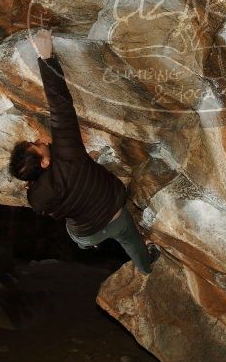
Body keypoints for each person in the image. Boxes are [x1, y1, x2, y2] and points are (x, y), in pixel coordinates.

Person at [9, 31, 160, 274]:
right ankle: (145, 266)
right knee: (132, 242)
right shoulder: (69, 154)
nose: (39, 139)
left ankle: (91, 246)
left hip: (85, 234)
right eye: (37, 144)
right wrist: (45, 57)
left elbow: (46, 196)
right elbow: (60, 106)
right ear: (45, 162)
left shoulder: (36, 198)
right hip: (115, 215)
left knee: (78, 233)